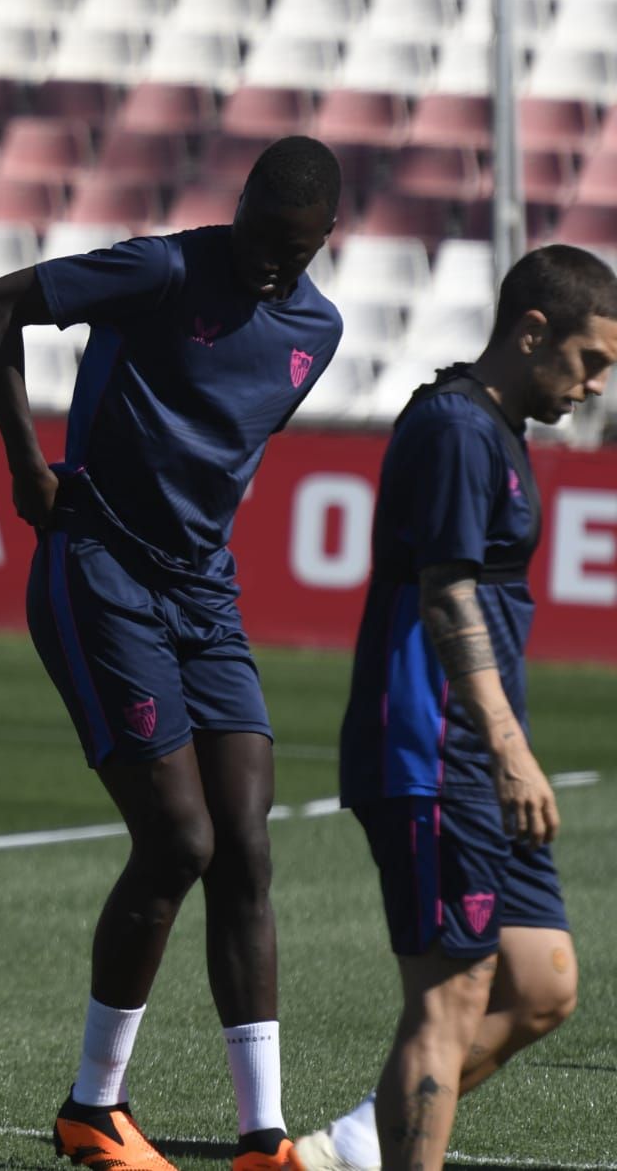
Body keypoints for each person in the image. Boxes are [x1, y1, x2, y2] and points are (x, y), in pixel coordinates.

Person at [0, 137, 346, 1171]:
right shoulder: (163, 268)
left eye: (298, 250)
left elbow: (213, 445)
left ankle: (261, 1136)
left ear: (324, 242)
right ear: (240, 209)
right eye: (264, 239)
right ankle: (92, 1108)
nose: (275, 266)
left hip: (202, 594)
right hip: (97, 571)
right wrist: (22, 466)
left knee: (245, 843)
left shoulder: (317, 328)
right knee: (177, 841)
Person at [292, 246, 615, 1171]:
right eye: (590, 361)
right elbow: (445, 596)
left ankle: (360, 1140)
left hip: (478, 751)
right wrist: (512, 750)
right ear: (532, 332)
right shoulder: (455, 429)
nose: (595, 385)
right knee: (451, 998)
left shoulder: (497, 426)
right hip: (433, 748)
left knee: (544, 982)